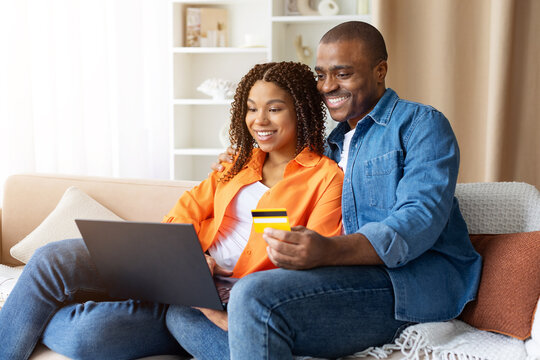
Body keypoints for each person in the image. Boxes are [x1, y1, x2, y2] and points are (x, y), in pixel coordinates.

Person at [0, 61, 343, 360]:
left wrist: (225, 303)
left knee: (85, 334)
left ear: (300, 110)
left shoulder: (325, 178)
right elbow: (181, 214)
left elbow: (313, 264)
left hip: (229, 298)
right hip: (179, 270)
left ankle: (35, 315)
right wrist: (190, 258)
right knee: (50, 259)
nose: (259, 120)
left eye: (274, 108)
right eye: (252, 108)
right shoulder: (237, 163)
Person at [213, 21, 482, 359]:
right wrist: (241, 168)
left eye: (342, 74)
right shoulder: (328, 148)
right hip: (345, 280)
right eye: (321, 75)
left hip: (409, 284)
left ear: (380, 70)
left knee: (252, 295)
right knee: (178, 309)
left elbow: (419, 219)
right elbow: (288, 202)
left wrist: (329, 251)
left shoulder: (420, 124)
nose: (327, 87)